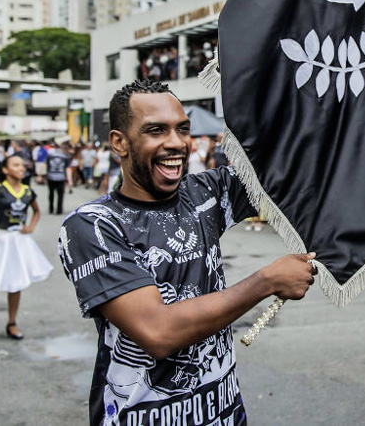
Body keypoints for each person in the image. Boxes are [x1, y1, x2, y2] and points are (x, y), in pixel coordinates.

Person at [57, 80, 316, 425]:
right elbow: (158, 332)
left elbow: (295, 159)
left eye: (182, 129)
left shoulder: (205, 193)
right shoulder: (93, 226)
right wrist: (266, 281)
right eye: (156, 131)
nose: (176, 143)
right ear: (119, 142)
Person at [0, 126, 53, 348]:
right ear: (5, 169)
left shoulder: (27, 191)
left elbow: (36, 211)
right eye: (16, 165)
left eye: (23, 166)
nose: (21, 168)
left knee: (16, 283)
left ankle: (12, 323)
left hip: (18, 240)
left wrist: (31, 227)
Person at [45, 140, 71, 215]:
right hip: (61, 177)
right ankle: (59, 209)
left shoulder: (50, 155)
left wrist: (42, 175)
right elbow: (67, 169)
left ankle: (51, 208)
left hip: (51, 176)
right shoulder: (65, 157)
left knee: (51, 193)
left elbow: (46, 165)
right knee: (60, 194)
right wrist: (70, 181)